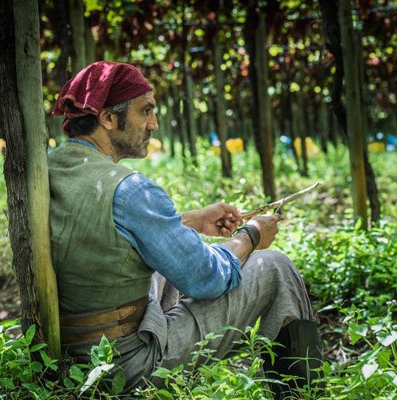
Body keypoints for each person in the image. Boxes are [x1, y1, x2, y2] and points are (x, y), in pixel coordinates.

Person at [48, 61, 322, 397]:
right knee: (275, 268)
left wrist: (189, 221)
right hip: (123, 367)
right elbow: (205, 278)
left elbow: (97, 235)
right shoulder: (131, 190)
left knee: (164, 269)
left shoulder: (48, 169)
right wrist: (250, 235)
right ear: (107, 118)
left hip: (66, 356)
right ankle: (304, 392)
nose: (154, 123)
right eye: (145, 111)